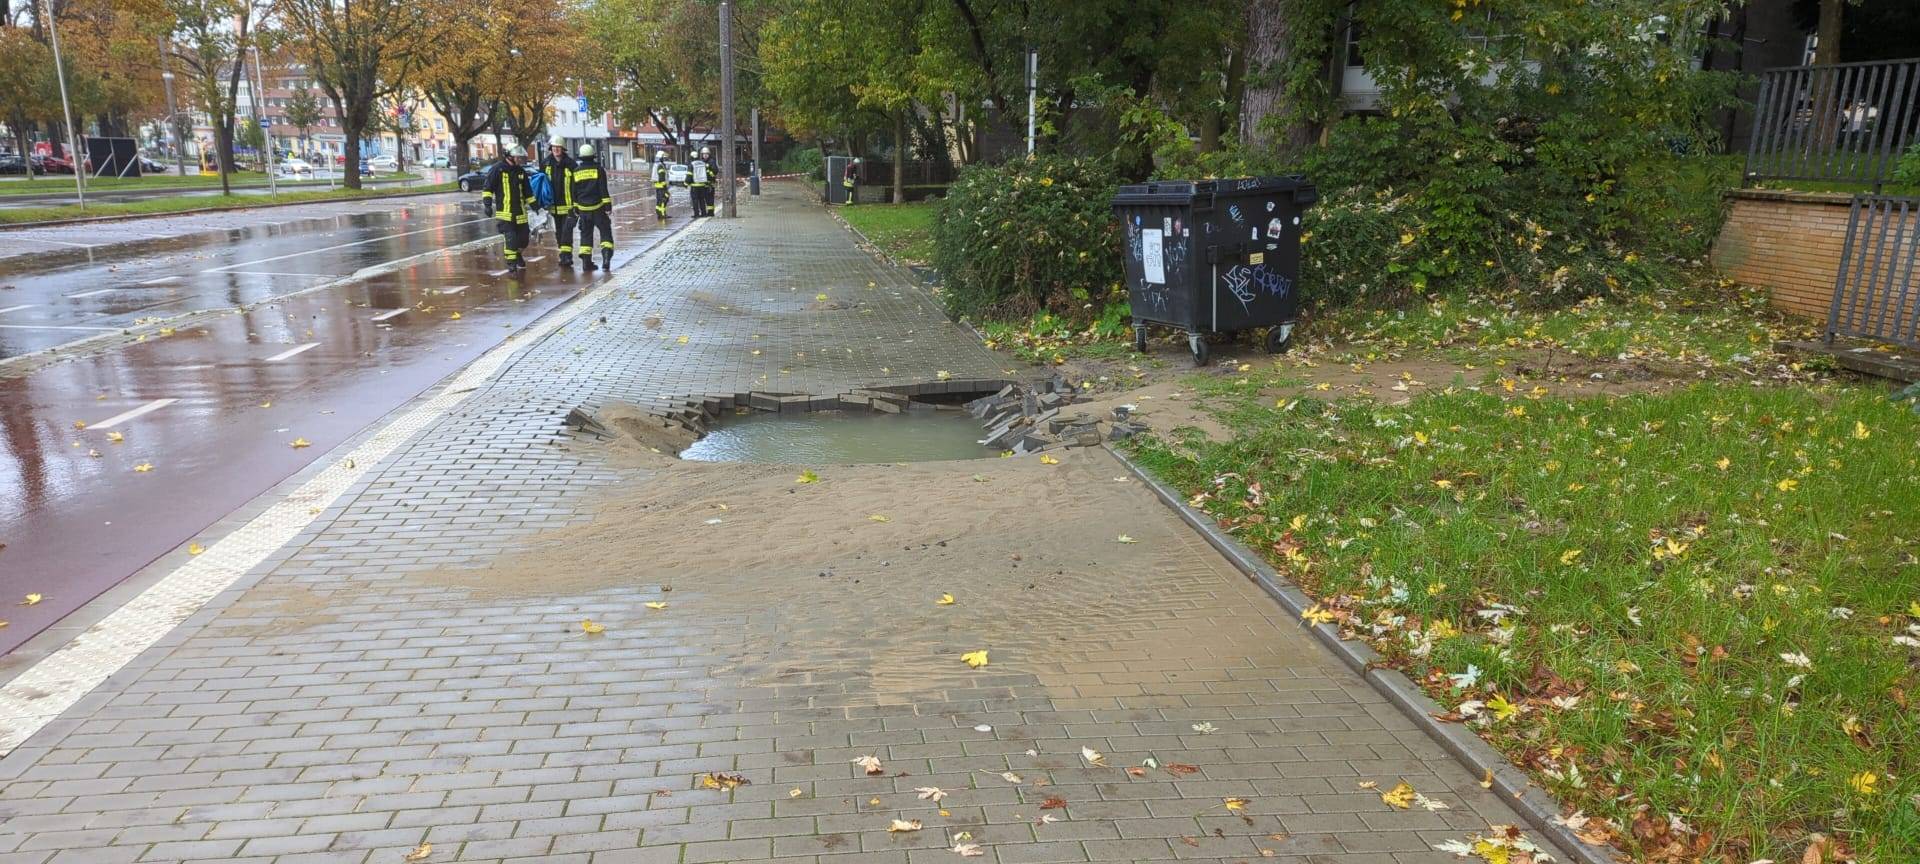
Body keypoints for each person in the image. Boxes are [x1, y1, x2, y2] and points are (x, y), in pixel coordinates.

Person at [480, 149, 532, 272]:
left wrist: (536, 206)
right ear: (509, 156)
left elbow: (528, 191)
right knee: (511, 239)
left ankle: (517, 254)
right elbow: (488, 188)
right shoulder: (497, 169)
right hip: (505, 214)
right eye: (516, 156)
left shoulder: (520, 171)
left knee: (524, 240)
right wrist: (487, 205)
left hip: (520, 213)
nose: (519, 159)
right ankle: (511, 263)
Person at [569, 143, 614, 271]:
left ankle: (586, 264)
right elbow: (603, 189)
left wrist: (576, 207)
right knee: (605, 233)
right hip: (598, 209)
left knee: (585, 235)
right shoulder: (599, 169)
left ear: (581, 156)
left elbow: (574, 192)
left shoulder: (576, 171)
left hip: (583, 210)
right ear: (593, 156)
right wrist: (608, 207)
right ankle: (606, 259)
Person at [540, 141, 578, 267]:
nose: (556, 149)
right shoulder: (545, 163)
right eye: (554, 147)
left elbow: (577, 185)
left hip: (569, 206)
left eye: (558, 147)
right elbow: (541, 182)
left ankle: (566, 256)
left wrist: (576, 203)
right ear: (551, 148)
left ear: (563, 149)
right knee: (559, 232)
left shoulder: (571, 164)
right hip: (554, 206)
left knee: (567, 231)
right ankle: (563, 255)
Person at [689, 147, 712, 217]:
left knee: (695, 201)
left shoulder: (692, 164)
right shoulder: (702, 163)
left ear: (692, 157)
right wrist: (708, 182)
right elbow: (708, 173)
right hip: (702, 186)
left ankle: (696, 214)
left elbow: (689, 175)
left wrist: (686, 183)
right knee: (702, 200)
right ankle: (704, 213)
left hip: (694, 186)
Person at [649, 150, 671, 221]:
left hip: (658, 186)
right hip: (662, 186)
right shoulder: (660, 165)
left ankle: (660, 213)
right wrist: (665, 185)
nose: (664, 159)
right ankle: (662, 214)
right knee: (663, 200)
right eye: (663, 158)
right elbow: (662, 176)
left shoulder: (656, 164)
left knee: (660, 200)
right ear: (660, 158)